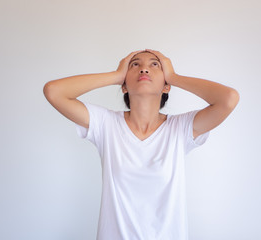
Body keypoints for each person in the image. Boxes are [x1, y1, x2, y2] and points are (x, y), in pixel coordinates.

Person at [43, 49, 239, 240]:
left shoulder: (181, 128)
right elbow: (54, 91)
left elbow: (228, 99)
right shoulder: (106, 124)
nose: (144, 69)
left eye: (155, 65)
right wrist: (115, 75)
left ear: (166, 86)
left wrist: (174, 76)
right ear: (124, 85)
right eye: (135, 65)